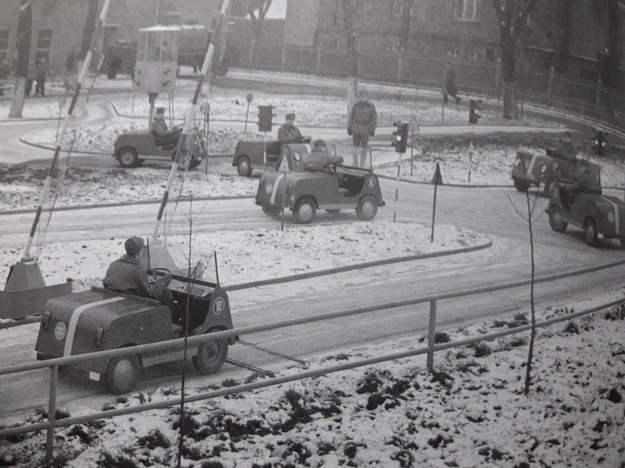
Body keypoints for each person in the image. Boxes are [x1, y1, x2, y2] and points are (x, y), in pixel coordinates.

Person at [103, 236, 174, 311]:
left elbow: (107, 283)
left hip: (116, 300)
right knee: (167, 293)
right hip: (131, 304)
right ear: (139, 252)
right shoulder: (136, 269)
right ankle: (167, 321)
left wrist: (149, 277)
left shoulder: (114, 264)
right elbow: (152, 293)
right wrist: (165, 280)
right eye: (143, 250)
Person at [347, 89, 377, 168]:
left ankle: (362, 165)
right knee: (355, 148)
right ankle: (355, 163)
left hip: (365, 129)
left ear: (367, 97)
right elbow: (351, 117)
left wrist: (372, 129)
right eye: (361, 96)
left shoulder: (371, 106)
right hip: (356, 128)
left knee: (364, 148)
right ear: (359, 97)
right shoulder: (355, 105)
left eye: (364, 96)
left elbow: (374, 119)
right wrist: (349, 127)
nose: (362, 98)